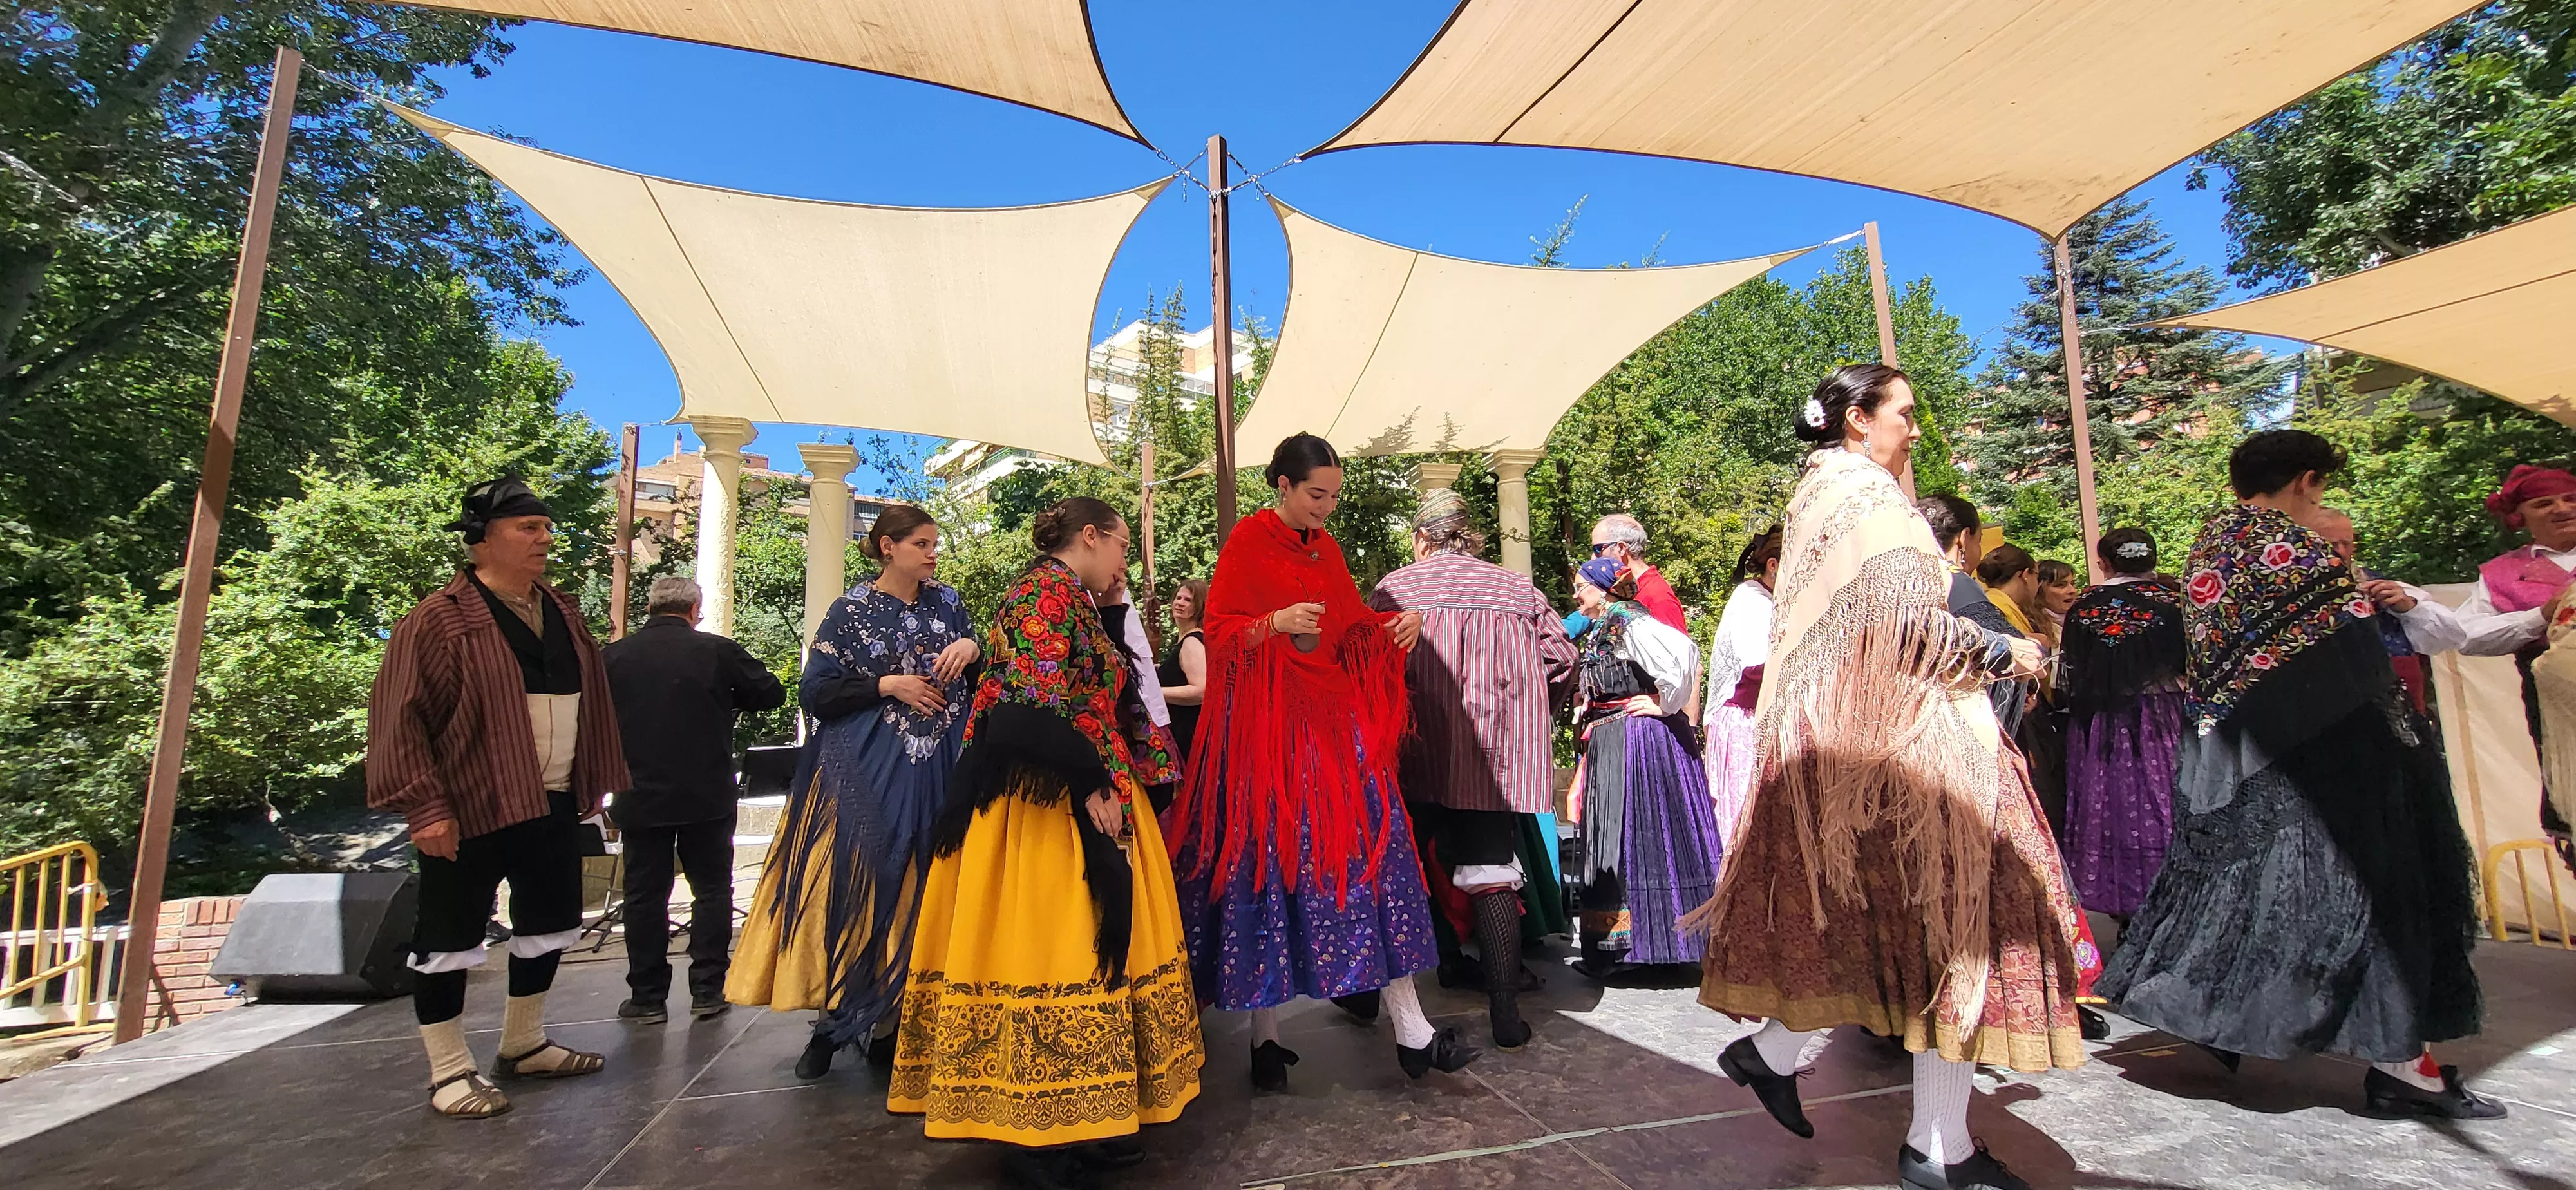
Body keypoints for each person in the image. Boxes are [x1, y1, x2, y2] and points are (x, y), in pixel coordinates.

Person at [1691, 365, 2080, 1190]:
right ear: (1859, 420)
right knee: (1963, 925)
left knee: (1903, 933)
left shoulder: (1821, 494)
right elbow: (1905, 631)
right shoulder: (1869, 500)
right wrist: (2008, 652)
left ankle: (1792, 1064)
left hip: (1853, 753)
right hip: (1911, 751)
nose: (1913, 426)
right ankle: (1934, 1146)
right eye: (1902, 413)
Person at [2098, 430, 2500, 1120]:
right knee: (2369, 904)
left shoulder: (2209, 548)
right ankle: (2404, 1067)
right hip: (2324, 767)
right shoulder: (2302, 556)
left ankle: (2228, 1017)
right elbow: (2352, 674)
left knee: (2251, 900)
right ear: (2306, 480)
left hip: (2229, 761)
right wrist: (2404, 759)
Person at [891, 498, 1200, 1187]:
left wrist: (1117, 607)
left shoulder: (1071, 596)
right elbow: (1027, 709)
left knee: (1084, 950)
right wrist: (1091, 782)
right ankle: (1035, 1133)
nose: (1127, 559)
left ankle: (1085, 1116)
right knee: (1050, 947)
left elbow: (1100, 681)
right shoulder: (1040, 595)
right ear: (1089, 537)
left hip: (1079, 781)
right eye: (1121, 545)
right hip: (1049, 802)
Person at [1167, 433, 1476, 1093]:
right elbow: (1220, 641)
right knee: (1269, 870)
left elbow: (1349, 629)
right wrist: (1272, 622)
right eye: (1316, 495)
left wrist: (1391, 630)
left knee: (1374, 861)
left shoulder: (1326, 548)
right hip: (1270, 743)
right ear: (1282, 486)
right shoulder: (1246, 545)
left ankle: (1410, 1028)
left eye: (1334, 496)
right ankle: (1267, 1039)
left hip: (1334, 732)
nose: (1326, 508)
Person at [367, 476, 626, 1119]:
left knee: (546, 924)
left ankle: (524, 1042)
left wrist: (591, 780)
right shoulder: (438, 618)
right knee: (449, 935)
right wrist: (424, 807)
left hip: (552, 799)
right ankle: (449, 1071)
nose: (544, 538)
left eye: (545, 527)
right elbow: (400, 718)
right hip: (470, 802)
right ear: (482, 541)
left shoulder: (562, 611)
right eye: (527, 528)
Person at [728, 505, 980, 1080]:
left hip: (939, 767)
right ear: (888, 547)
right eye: (921, 543)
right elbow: (814, 692)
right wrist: (886, 684)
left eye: (935, 543)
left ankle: (896, 1029)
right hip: (866, 771)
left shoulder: (949, 603)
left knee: (922, 886)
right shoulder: (851, 610)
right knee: (859, 887)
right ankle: (832, 1022)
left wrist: (972, 649)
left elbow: (980, 671)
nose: (933, 553)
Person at [1368, 488, 1579, 1048]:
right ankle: (1506, 1013)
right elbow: (1563, 657)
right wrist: (1528, 716)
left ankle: (1373, 993)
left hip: (1414, 755)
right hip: (1491, 760)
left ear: (1421, 538)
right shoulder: (1516, 588)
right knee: (1490, 874)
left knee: (1400, 867)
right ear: (1471, 534)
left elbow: (1366, 662)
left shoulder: (1395, 588)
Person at [602, 576, 784, 1026]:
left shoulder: (613, 657)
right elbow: (772, 693)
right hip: (706, 791)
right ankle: (708, 990)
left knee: (645, 895)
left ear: (650, 608)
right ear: (694, 609)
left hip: (639, 792)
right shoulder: (716, 651)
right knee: (711, 890)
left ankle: (646, 998)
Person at [1567, 555, 1721, 974]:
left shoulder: (1630, 621)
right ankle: (1625, 950)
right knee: (1620, 842)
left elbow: (1685, 654)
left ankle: (1646, 950)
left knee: (1639, 837)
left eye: (1581, 585)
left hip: (1638, 745)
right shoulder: (1608, 626)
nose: (1576, 594)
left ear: (1604, 587)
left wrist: (1663, 703)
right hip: (1614, 741)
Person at [2058, 527, 2186, 923]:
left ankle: (2124, 905)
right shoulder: (2174, 604)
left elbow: (2067, 679)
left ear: (2105, 563)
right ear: (2152, 561)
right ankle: (2178, 896)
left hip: (2102, 727)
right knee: (2167, 799)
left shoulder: (2084, 607)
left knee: (2108, 806)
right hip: (2163, 721)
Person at [2452, 466, 2576, 871]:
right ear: (2520, 516)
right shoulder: (2502, 573)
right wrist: (2539, 617)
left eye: (2570, 499)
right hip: (2563, 715)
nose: (2561, 509)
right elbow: (2467, 637)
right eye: (2544, 503)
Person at [2300, 506, 2463, 713]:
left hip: (2395, 711)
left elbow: (2452, 637)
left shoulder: (2382, 585)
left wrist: (2408, 608)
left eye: (2346, 544)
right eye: (2330, 544)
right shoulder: (2282, 595)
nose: (2341, 551)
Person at [1920, 495, 2031, 735]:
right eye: (1978, 541)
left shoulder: (1914, 577)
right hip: (1960, 726)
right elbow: (2014, 652)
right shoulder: (1955, 580)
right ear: (1964, 538)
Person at [1703, 528, 1781, 847]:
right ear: (1773, 565)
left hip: (1754, 720)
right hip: (1743, 725)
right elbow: (1754, 668)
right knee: (1746, 825)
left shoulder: (1766, 599)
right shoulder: (1753, 601)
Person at [1590, 513, 1687, 631]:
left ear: (1621, 548)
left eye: (1598, 549)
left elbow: (1676, 648)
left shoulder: (1657, 598)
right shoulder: (1623, 592)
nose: (1593, 558)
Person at [1156, 577, 1210, 763]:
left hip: (1188, 737)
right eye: (1178, 598)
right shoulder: (1187, 640)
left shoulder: (1192, 642)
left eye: (1188, 600)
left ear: (1200, 607)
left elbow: (1201, 690)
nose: (1180, 603)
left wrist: (1154, 694)